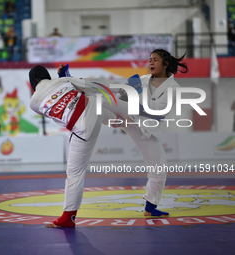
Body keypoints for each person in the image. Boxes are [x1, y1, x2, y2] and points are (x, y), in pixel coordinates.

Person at [29, 49, 188, 228]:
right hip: (125, 116)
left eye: (155, 60)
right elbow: (115, 92)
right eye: (150, 59)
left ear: (166, 64)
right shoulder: (142, 81)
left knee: (159, 167)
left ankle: (150, 206)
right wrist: (70, 79)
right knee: (99, 97)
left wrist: (134, 92)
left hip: (146, 126)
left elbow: (159, 112)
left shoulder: (174, 88)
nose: (150, 63)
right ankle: (77, 85)